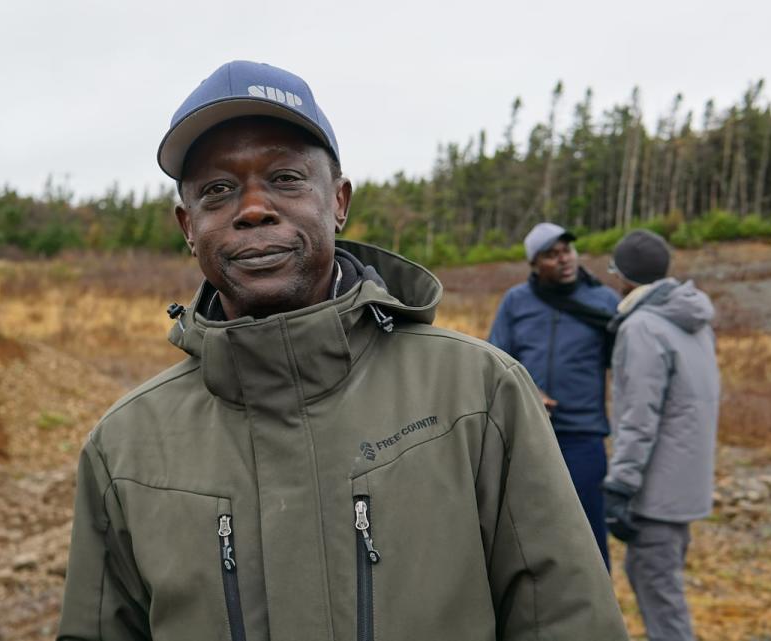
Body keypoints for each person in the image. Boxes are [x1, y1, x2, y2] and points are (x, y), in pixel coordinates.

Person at [56, 60, 628, 641]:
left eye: (285, 178)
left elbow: (566, 618)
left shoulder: (477, 394)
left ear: (338, 200)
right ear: (187, 225)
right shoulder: (124, 449)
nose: (253, 208)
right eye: (218, 190)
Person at [603, 229, 720, 641]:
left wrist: (621, 484)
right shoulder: (691, 319)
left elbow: (640, 414)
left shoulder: (643, 327)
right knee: (659, 583)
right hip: (685, 485)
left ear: (624, 277)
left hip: (657, 491)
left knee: (660, 597)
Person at [487, 222, 620, 569]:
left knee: (589, 530)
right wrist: (530, 391)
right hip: (528, 434)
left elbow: (624, 365)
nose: (564, 260)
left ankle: (598, 615)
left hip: (583, 436)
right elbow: (497, 359)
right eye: (551, 254)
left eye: (567, 251)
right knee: (529, 528)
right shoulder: (517, 301)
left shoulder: (604, 301)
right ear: (533, 264)